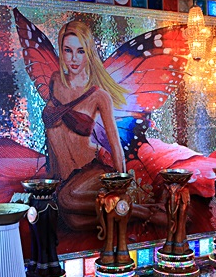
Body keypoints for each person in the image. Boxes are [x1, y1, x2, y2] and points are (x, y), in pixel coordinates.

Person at [42, 21, 155, 232]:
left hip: (91, 172)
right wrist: (53, 175)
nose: (74, 58)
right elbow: (52, 135)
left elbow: (115, 145)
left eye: (80, 51)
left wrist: (122, 185)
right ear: (61, 51)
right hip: (65, 178)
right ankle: (126, 211)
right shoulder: (55, 81)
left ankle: (138, 210)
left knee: (66, 200)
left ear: (89, 53)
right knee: (73, 221)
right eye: (68, 50)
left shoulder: (99, 96)